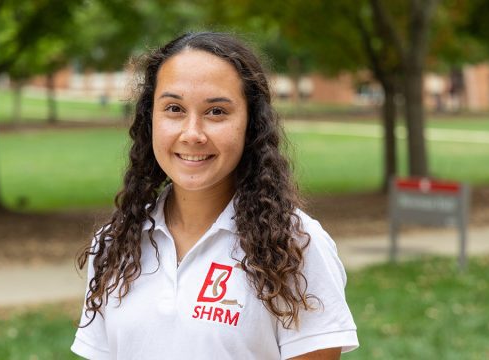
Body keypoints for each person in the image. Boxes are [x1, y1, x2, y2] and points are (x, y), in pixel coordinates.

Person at [71, 32, 358, 360]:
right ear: (151, 119)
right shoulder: (113, 245)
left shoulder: (295, 245)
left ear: (251, 124)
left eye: (216, 112)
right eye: (175, 108)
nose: (192, 133)